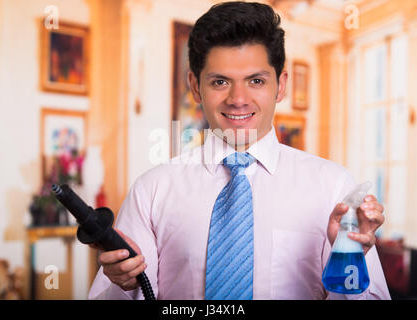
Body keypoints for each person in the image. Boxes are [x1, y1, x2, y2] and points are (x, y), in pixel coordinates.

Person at [88, 1, 390, 300]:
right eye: (220, 82)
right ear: (195, 86)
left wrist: (347, 260)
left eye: (256, 81)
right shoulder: (150, 191)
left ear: (281, 85)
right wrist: (122, 284)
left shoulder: (333, 186)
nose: (238, 99)